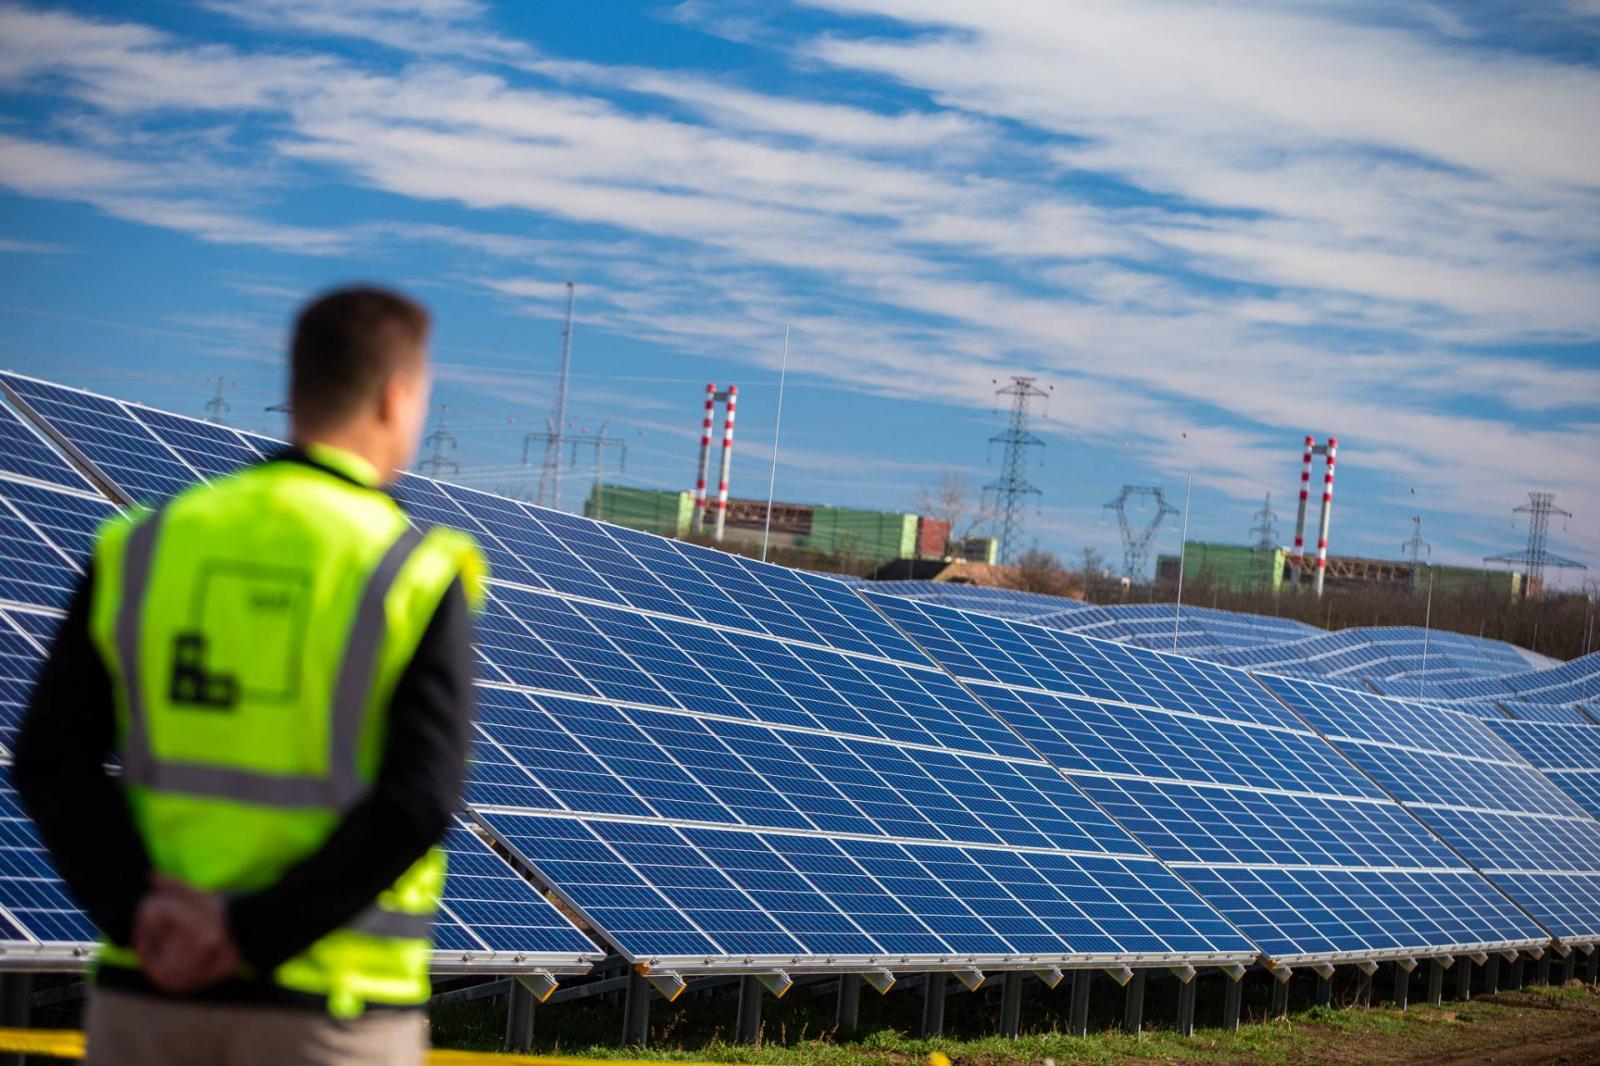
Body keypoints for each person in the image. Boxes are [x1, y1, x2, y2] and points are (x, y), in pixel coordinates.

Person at [15, 286, 485, 1065]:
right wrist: (246, 935)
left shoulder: (143, 545)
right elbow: (418, 801)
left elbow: (49, 760)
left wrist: (139, 915)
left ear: (296, 389)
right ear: (398, 395)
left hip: (149, 994)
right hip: (330, 1011)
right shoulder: (414, 571)